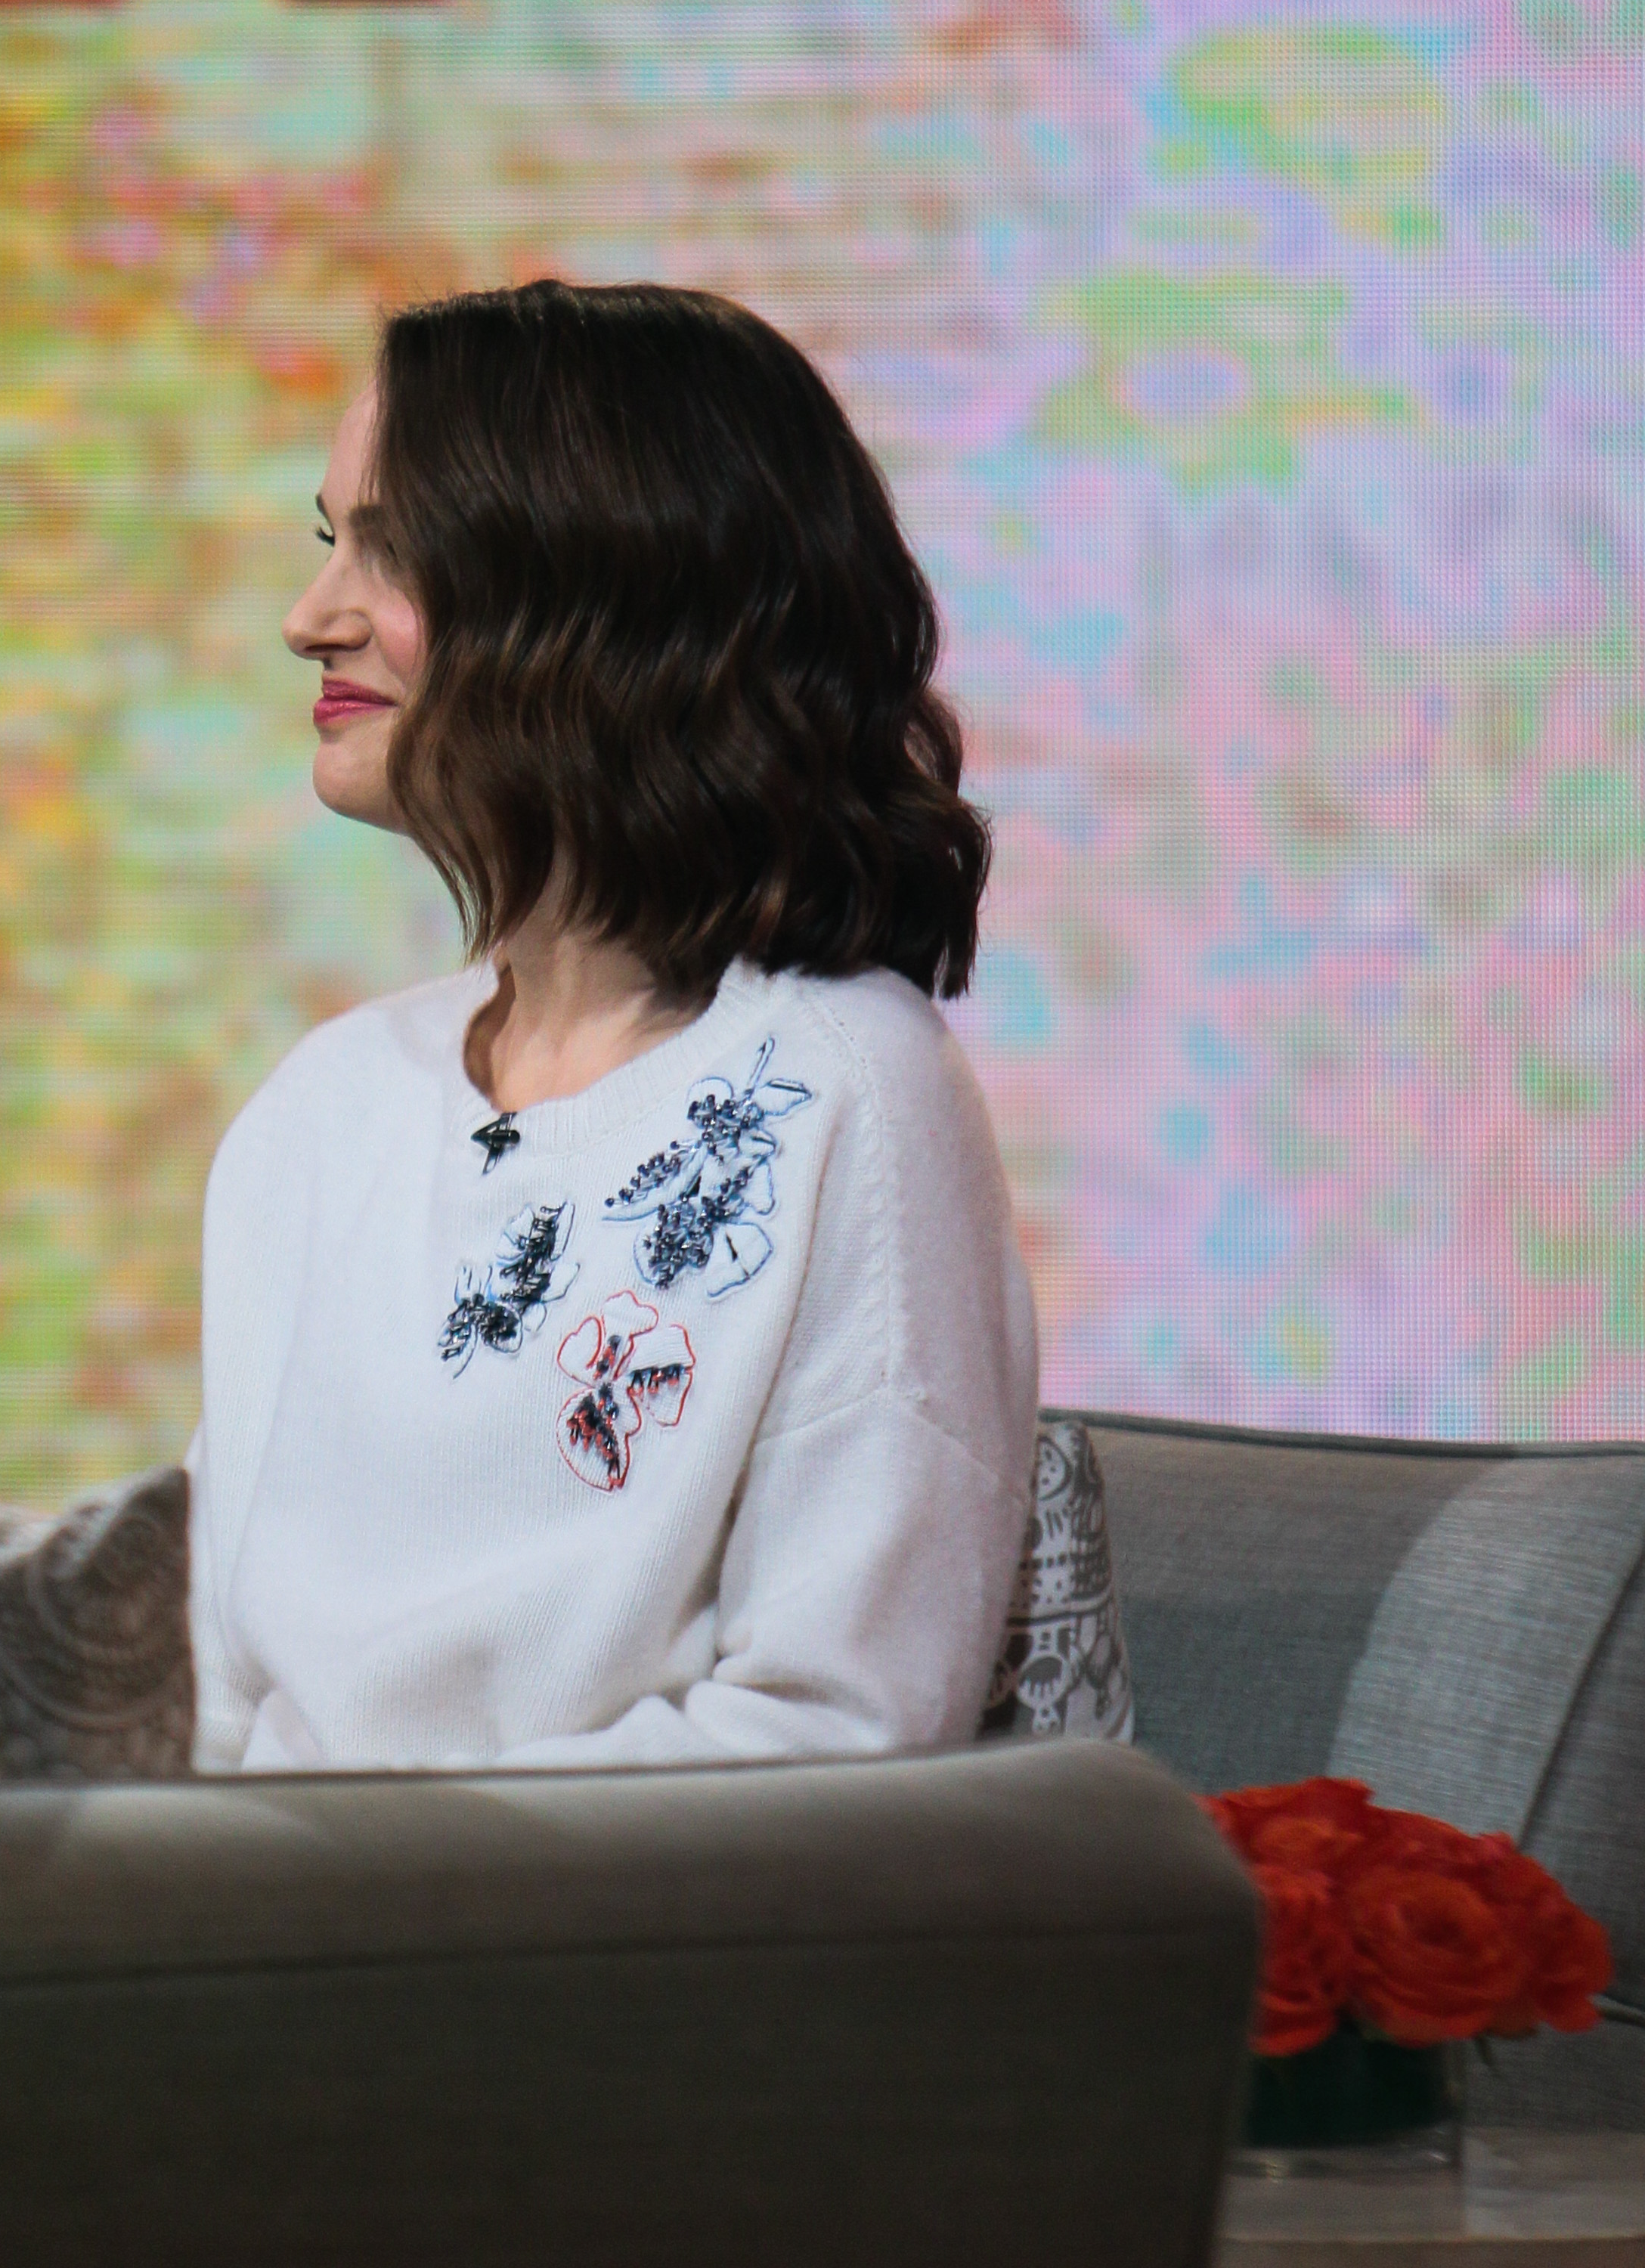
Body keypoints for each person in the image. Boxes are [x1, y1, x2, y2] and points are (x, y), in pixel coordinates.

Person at [186, 280, 1039, 1772]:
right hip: (262, 1905)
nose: (308, 619)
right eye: (330, 543)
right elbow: (208, 1694)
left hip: (594, 1919)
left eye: (393, 550)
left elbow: (839, 1735)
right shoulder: (326, 1105)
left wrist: (357, 1879)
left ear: (608, 594)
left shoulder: (844, 1090)